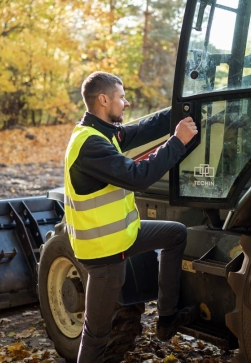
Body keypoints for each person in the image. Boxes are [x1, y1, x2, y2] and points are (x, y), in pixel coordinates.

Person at [64, 71, 199, 363]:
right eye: (121, 97)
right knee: (96, 333)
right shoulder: (90, 145)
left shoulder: (103, 133)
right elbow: (139, 177)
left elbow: (143, 129)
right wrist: (178, 142)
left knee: (175, 233)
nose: (126, 103)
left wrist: (184, 107)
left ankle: (166, 319)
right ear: (103, 100)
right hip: (105, 252)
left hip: (123, 235)